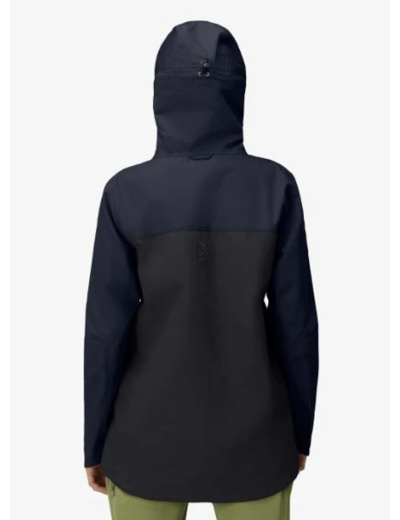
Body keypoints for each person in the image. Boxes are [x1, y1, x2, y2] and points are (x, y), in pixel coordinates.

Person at [84, 20, 319, 520]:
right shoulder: (275, 187)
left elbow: (105, 332)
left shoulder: (125, 192)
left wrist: (94, 442)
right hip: (257, 445)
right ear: (236, 93)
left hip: (144, 445)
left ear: (160, 93)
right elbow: (297, 325)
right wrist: (300, 433)